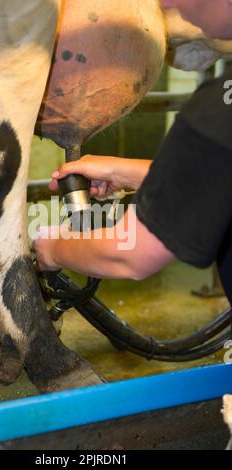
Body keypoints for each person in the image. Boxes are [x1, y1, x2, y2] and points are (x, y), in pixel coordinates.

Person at [33, 0, 232, 306]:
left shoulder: (217, 113)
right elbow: (219, 173)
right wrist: (131, 172)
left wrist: (52, 248)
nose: (164, 2)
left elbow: (132, 255)